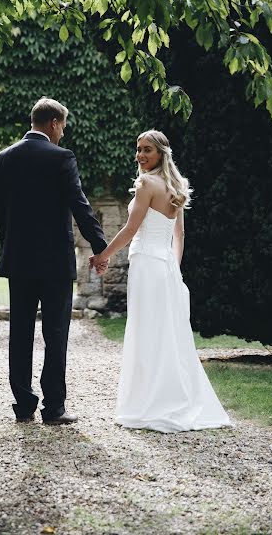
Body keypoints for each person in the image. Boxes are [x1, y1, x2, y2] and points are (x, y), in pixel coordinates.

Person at [90, 129, 232, 433]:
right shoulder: (175, 185)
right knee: (165, 332)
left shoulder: (146, 184)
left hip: (146, 266)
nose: (140, 155)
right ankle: (166, 398)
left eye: (147, 150)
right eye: (138, 149)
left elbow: (130, 230)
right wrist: (174, 268)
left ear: (161, 154)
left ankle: (149, 404)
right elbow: (178, 236)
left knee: (146, 331)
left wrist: (103, 255)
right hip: (164, 267)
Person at [0, 97, 108, 425]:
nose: (63, 135)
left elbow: (2, 215)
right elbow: (80, 205)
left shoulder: (4, 159)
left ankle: (23, 405)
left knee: (20, 332)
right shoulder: (61, 157)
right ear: (55, 124)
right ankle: (54, 408)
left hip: (19, 261)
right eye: (63, 128)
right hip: (55, 263)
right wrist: (100, 247)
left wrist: (10, 250)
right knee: (56, 333)